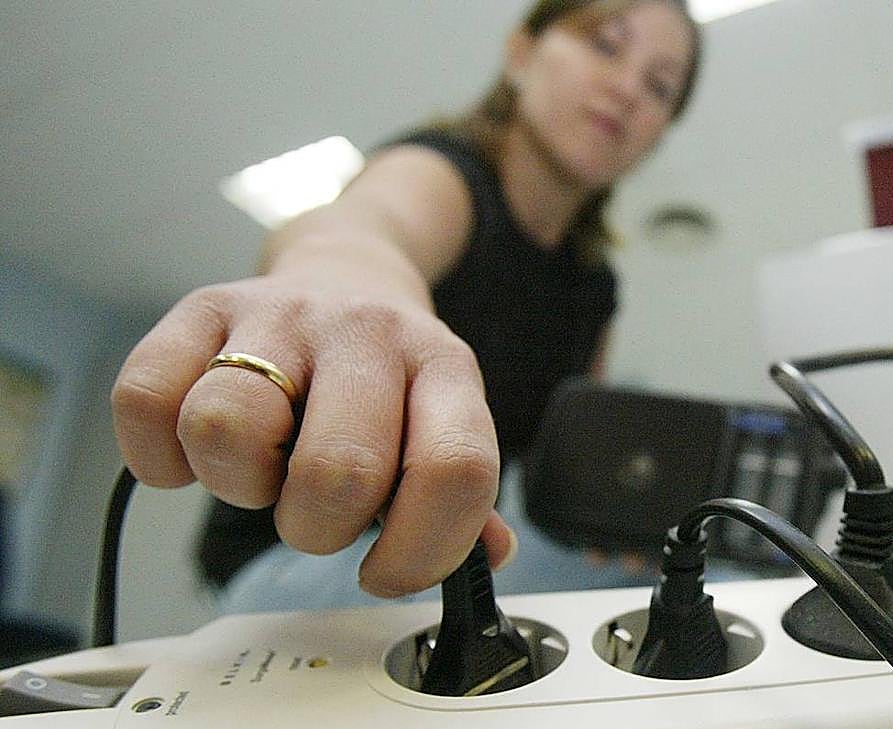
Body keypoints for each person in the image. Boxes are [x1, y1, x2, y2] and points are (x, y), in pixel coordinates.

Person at [111, 0, 704, 603]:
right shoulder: (442, 173)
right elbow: (365, 225)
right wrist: (342, 284)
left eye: (660, 87)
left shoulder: (594, 286)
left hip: (441, 557)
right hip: (286, 561)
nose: (628, 89)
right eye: (606, 45)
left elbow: (568, 467)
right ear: (521, 54)